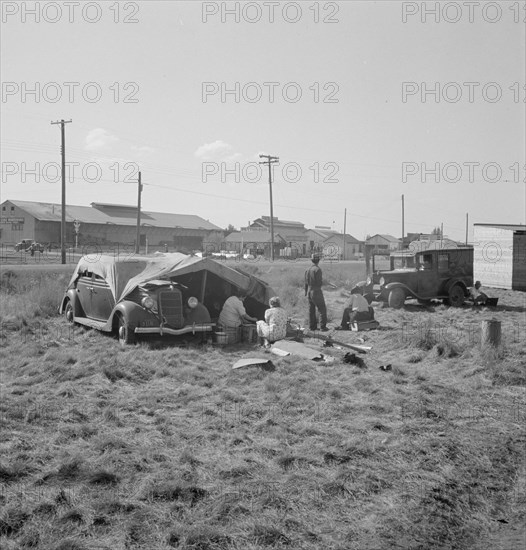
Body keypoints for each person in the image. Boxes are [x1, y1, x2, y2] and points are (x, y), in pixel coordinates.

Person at [305, 253, 328, 331]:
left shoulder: (308, 270)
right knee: (322, 309)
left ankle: (312, 327)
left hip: (309, 291)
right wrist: (324, 283)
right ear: (318, 260)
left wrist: (306, 293)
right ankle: (323, 327)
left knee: (311, 310)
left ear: (312, 260)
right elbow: (319, 282)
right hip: (316, 291)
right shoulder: (318, 270)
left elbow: (305, 282)